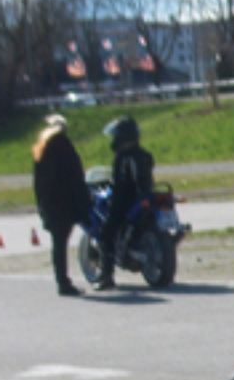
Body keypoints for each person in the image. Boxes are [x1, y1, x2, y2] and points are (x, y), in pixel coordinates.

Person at [31, 114, 91, 296]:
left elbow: (39, 182)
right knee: (61, 242)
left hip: (50, 203)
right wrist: (83, 202)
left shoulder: (40, 149)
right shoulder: (64, 148)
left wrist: (42, 204)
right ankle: (64, 283)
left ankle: (62, 280)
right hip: (65, 202)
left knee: (58, 243)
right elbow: (75, 177)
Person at [96, 115, 155, 290]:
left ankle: (106, 276)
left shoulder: (124, 158)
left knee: (106, 233)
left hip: (128, 201)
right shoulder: (145, 155)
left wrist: (115, 201)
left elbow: (121, 184)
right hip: (146, 196)